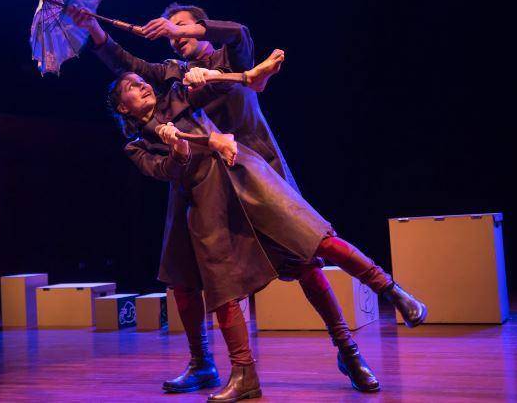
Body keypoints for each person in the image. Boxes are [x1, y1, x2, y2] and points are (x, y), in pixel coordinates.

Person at [105, 50, 427, 400]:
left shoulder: (178, 94)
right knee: (220, 283)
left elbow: (222, 77)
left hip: (247, 178)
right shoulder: (138, 144)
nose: (142, 85)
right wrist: (178, 154)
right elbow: (164, 170)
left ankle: (386, 296)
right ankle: (239, 370)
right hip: (206, 201)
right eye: (132, 87)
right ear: (123, 107)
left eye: (141, 81)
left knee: (311, 243)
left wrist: (215, 74)